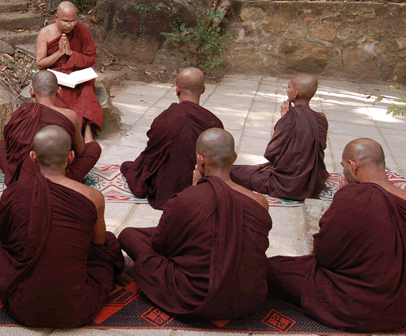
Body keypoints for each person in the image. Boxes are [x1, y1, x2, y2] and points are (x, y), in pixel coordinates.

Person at [119, 129, 272, 319]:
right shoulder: (260, 202)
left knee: (128, 235)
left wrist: (194, 190)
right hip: (247, 299)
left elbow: (161, 246)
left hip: (195, 297)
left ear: (200, 160)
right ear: (234, 157)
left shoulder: (186, 199)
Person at [0, 126, 125, 328]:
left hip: (22, 307)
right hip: (77, 308)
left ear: (33, 156)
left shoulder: (13, 192)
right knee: (109, 243)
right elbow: (99, 242)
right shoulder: (93, 197)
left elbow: (7, 239)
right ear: (70, 157)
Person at [268, 138, 406, 332]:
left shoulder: (353, 196)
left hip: (355, 305)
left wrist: (341, 201)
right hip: (400, 307)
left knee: (272, 268)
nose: (344, 172)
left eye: (344, 167)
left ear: (353, 165)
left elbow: (324, 255)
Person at [120, 67, 223, 209]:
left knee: (130, 166)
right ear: (204, 89)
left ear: (177, 90)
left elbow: (151, 155)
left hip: (164, 189)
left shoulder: (165, 118)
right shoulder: (214, 122)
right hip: (200, 184)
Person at [0, 70, 101, 184]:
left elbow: (11, 146)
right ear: (59, 91)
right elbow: (80, 150)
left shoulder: (20, 112)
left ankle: (18, 176)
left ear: (31, 92)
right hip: (59, 177)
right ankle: (63, 180)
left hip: (21, 176)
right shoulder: (70, 115)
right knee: (94, 147)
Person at [231, 74, 328, 200]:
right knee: (255, 169)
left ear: (295, 93)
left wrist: (283, 121)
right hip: (314, 183)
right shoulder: (321, 119)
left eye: (289, 87)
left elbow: (271, 154)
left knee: (233, 171)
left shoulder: (288, 119)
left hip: (286, 185)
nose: (287, 89)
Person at [36, 1, 102, 140]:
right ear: (56, 18)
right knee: (58, 97)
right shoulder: (45, 33)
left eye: (73, 21)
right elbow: (40, 63)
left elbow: (91, 59)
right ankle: (68, 131)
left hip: (78, 73)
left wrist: (71, 53)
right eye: (65, 21)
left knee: (87, 91)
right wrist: (59, 53)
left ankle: (87, 131)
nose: (69, 25)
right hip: (57, 75)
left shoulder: (82, 31)